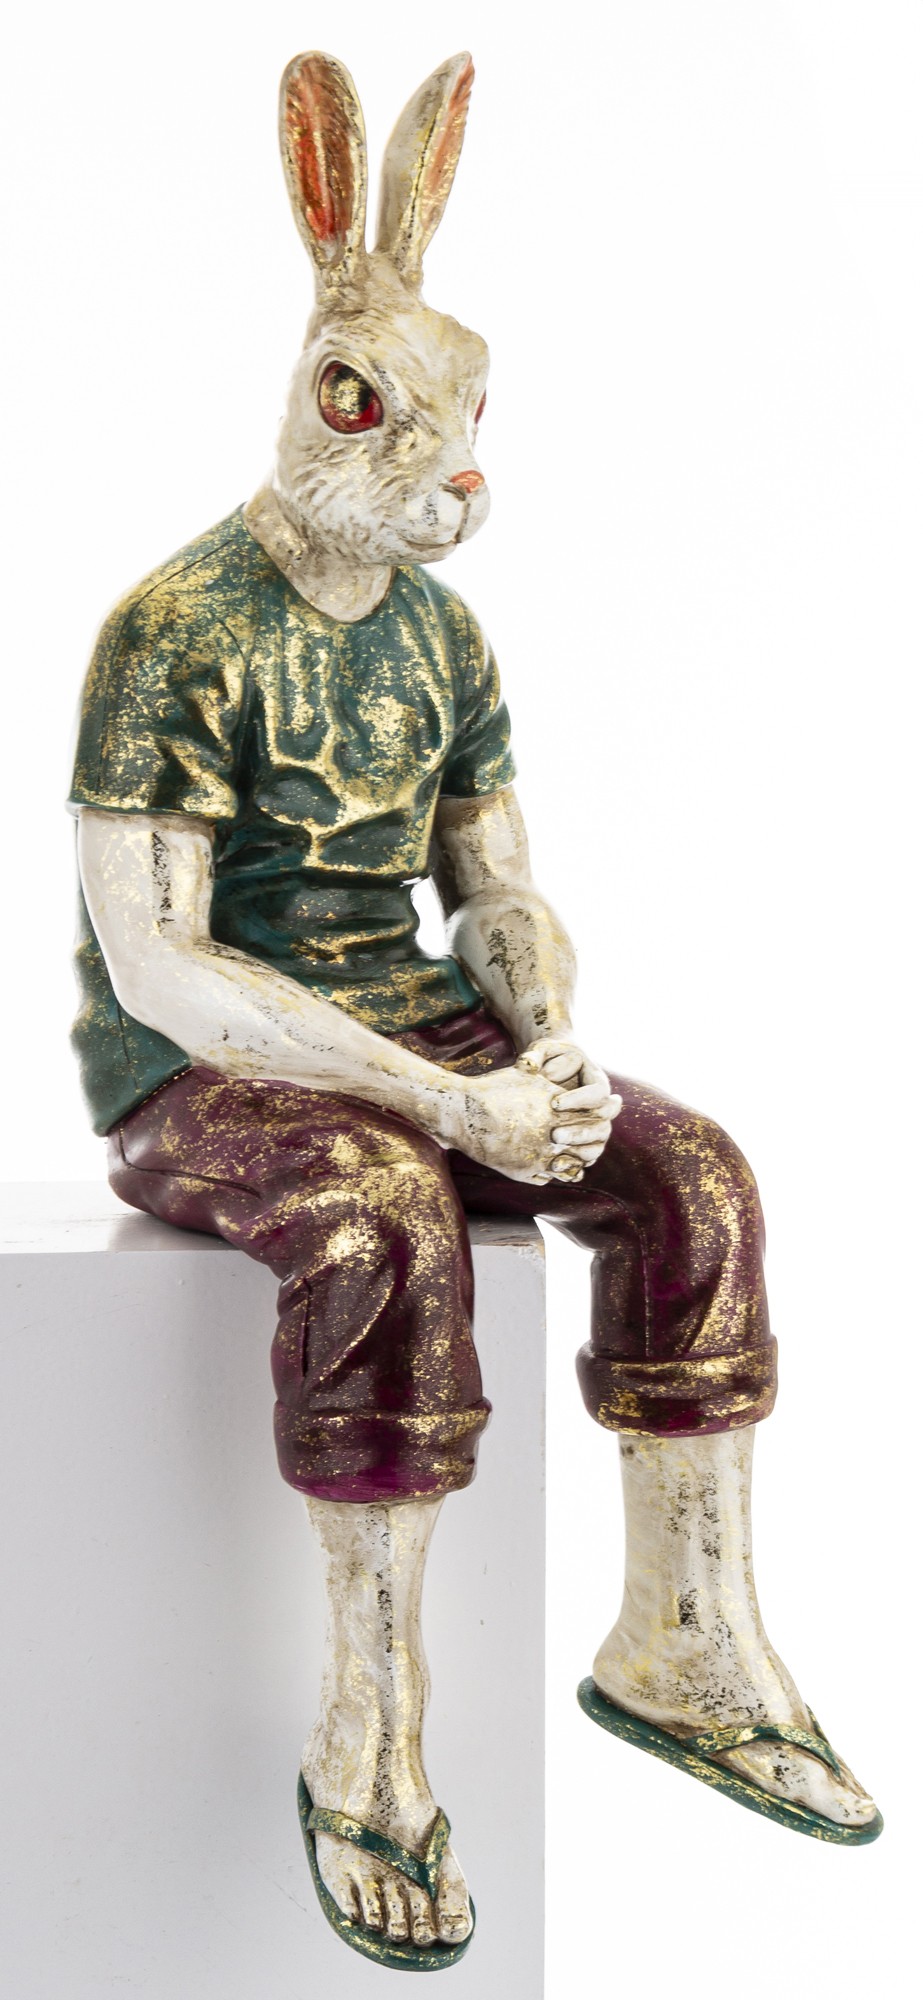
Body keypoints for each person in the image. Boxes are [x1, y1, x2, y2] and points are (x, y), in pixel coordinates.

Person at [70, 49, 880, 1975]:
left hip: (415, 1031)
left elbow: (495, 885)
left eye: (455, 421)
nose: (423, 460)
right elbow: (157, 961)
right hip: (207, 1071)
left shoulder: (444, 637)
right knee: (380, 1216)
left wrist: (540, 1023)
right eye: (367, 403)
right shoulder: (176, 629)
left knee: (693, 1176)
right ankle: (371, 1734)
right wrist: (453, 1110)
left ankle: (687, 1639)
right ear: (310, 387)